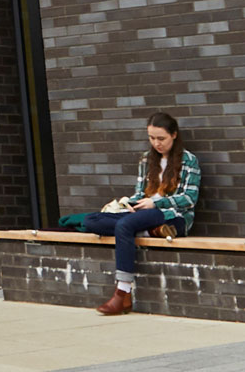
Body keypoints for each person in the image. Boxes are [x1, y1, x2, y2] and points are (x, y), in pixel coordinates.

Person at [82, 112, 200, 316]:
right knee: (91, 221)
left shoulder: (189, 160)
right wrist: (131, 202)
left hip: (171, 215)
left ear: (174, 135)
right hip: (143, 214)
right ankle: (150, 232)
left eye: (161, 138)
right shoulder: (146, 159)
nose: (156, 143)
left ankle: (122, 292)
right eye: (152, 138)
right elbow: (139, 192)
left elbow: (190, 199)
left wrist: (156, 202)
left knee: (124, 226)